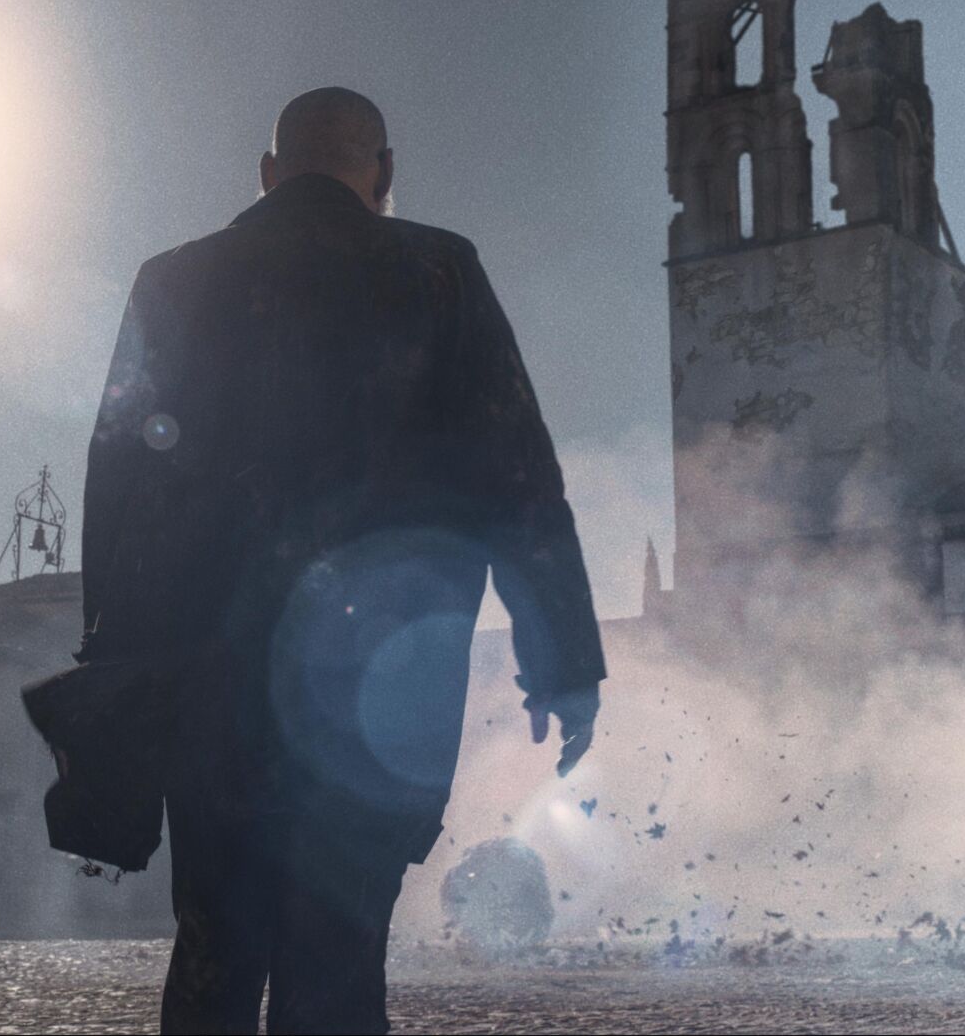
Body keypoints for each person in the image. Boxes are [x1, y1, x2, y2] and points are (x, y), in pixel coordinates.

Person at [78, 86, 607, 1035]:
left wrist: (111, 677)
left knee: (211, 952)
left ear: (267, 173)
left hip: (208, 695)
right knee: (340, 962)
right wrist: (562, 661)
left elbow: (118, 483)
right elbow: (519, 480)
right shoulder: (441, 272)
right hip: (379, 700)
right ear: (385, 172)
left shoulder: (174, 280)